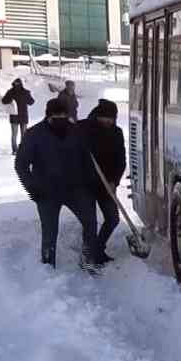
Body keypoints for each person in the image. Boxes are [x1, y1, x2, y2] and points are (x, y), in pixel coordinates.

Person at [15, 98, 99, 269]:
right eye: (56, 115)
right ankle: (48, 266)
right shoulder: (34, 134)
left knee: (90, 222)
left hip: (75, 189)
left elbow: (87, 160)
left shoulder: (76, 132)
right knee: (50, 232)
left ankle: (88, 258)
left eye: (63, 115)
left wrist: (90, 184)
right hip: (47, 192)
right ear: (48, 115)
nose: (61, 118)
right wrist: (32, 187)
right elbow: (21, 165)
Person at [74, 98, 127, 262]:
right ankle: (88, 255)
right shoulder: (81, 129)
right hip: (85, 184)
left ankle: (97, 248)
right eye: (106, 117)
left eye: (112, 118)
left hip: (107, 184)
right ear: (98, 115)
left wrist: (114, 181)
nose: (109, 121)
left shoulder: (116, 133)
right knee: (90, 222)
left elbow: (121, 160)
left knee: (113, 218)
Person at [0, 78, 35, 155]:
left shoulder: (10, 92)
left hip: (14, 116)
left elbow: (3, 101)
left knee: (14, 135)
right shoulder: (25, 92)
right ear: (21, 84)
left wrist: (10, 100)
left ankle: (15, 150)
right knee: (24, 135)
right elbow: (31, 102)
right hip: (23, 116)